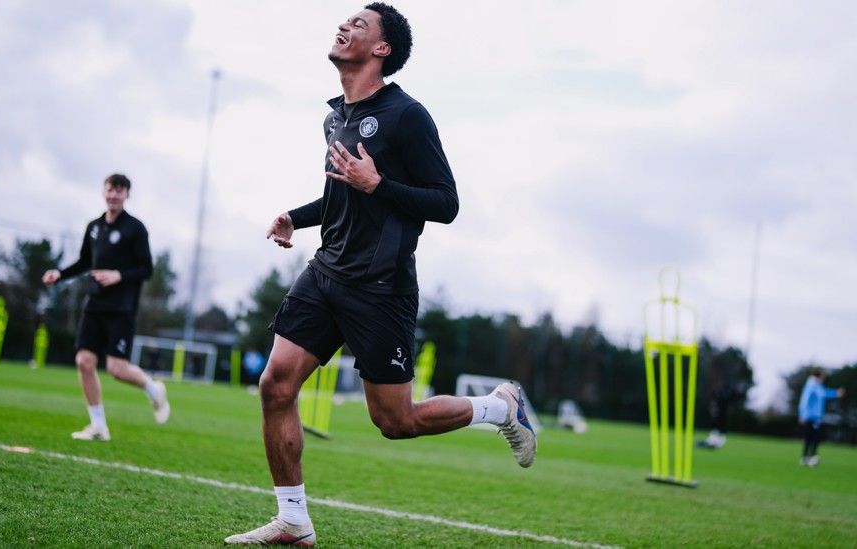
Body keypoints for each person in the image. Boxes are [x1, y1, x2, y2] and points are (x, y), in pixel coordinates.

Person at [224, 4, 536, 546]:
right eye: (346, 20)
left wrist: (379, 185)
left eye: (359, 24)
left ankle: (500, 406)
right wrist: (295, 217)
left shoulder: (408, 115)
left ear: (381, 49)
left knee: (396, 421)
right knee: (275, 385)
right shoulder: (334, 117)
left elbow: (446, 202)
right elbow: (340, 194)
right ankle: (294, 521)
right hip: (325, 272)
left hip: (380, 287)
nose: (344, 26)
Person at [42, 173, 169, 441]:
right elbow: (84, 261)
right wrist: (59, 274)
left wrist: (118, 275)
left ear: (127, 195)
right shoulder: (94, 227)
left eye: (119, 191)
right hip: (94, 304)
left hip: (121, 308)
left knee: (116, 369)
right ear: (103, 191)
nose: (113, 195)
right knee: (83, 362)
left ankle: (154, 390)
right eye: (110, 189)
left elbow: (146, 269)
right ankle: (98, 426)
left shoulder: (135, 228)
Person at [798, 368, 844, 467]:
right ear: (818, 376)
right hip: (809, 417)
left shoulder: (819, 387)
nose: (824, 378)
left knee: (816, 438)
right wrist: (803, 415)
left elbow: (826, 393)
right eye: (822, 376)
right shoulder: (810, 386)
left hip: (817, 418)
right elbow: (804, 402)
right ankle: (805, 458)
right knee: (809, 438)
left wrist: (836, 393)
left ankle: (812, 457)